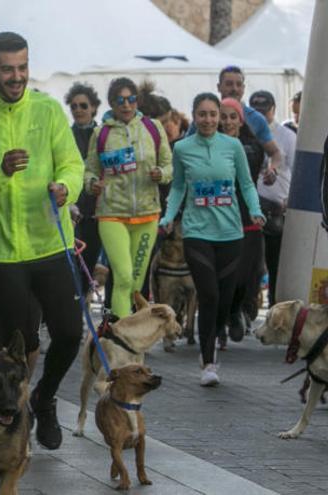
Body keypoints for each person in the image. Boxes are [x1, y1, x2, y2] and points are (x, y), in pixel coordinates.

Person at [0, 32, 84, 450]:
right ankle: (17, 412)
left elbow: (73, 163)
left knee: (71, 333)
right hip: (4, 252)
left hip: (50, 242)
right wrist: (0, 172)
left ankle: (45, 396)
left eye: (22, 67)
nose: (16, 77)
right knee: (25, 342)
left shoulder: (49, 110)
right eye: (7, 69)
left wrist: (65, 188)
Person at [160, 93, 264, 387]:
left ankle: (211, 342)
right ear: (194, 116)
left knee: (223, 298)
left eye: (212, 114)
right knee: (209, 295)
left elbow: (246, 184)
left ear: (220, 117)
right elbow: (178, 187)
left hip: (231, 233)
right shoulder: (182, 148)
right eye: (202, 114)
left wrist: (255, 211)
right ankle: (208, 362)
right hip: (196, 232)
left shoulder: (233, 147)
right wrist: (169, 217)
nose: (207, 119)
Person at [85, 78, 172, 317]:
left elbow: (168, 165)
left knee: (135, 283)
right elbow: (90, 169)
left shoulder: (153, 128)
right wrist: (92, 184)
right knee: (122, 276)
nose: (126, 105)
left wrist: (161, 173)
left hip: (147, 215)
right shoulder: (101, 133)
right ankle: (121, 334)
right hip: (112, 214)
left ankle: (131, 330)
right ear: (112, 103)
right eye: (120, 100)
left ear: (137, 101)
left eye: (131, 99)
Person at [217, 98, 266, 345]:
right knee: (219, 275)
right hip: (216, 217)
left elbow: (247, 179)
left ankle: (234, 311)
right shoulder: (207, 144)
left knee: (243, 276)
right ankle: (220, 322)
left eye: (232, 117)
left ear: (240, 120)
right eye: (222, 117)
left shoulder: (252, 147)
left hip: (246, 217)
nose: (227, 122)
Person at [189, 66, 282, 184]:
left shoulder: (256, 119)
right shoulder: (206, 116)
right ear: (219, 87)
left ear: (243, 88)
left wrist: (272, 169)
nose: (234, 89)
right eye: (229, 84)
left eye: (239, 84)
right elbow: (187, 150)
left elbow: (275, 153)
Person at [250, 91, 295, 307]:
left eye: (265, 111)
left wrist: (290, 201)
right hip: (250, 207)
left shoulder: (287, 136)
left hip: (276, 209)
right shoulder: (245, 133)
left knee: (274, 263)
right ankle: (249, 303)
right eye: (256, 111)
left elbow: (299, 171)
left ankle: (273, 304)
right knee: (251, 264)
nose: (261, 116)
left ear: (274, 110)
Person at [65, 82, 101, 297]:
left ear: (94, 107)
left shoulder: (104, 135)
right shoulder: (66, 135)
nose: (78, 110)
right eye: (74, 106)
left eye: (83, 106)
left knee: (91, 259)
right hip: (73, 208)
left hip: (99, 209)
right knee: (75, 262)